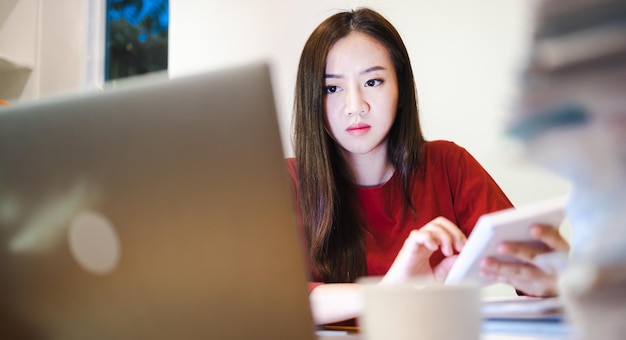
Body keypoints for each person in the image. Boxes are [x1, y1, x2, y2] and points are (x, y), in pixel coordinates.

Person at [286, 7, 569, 325]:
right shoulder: (286, 182)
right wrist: (392, 290)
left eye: (373, 81)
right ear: (313, 98)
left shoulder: (448, 165)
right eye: (332, 88)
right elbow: (273, 301)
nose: (356, 106)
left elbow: (528, 268)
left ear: (401, 90)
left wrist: (555, 279)